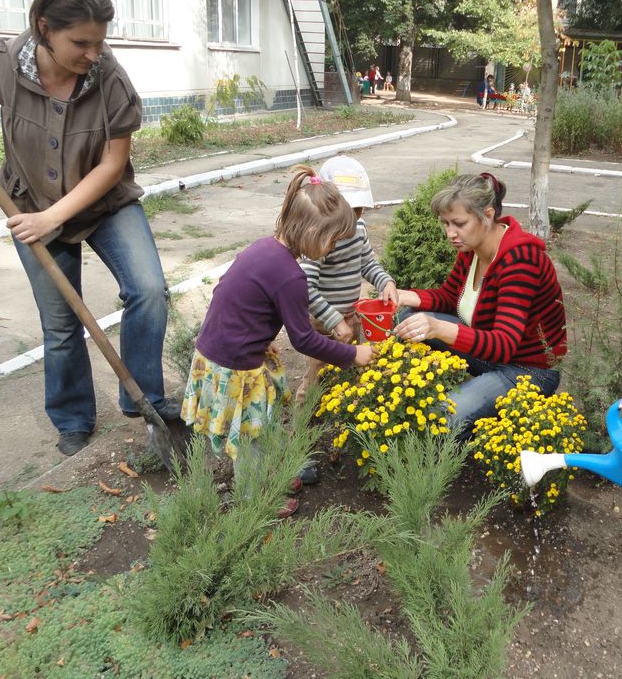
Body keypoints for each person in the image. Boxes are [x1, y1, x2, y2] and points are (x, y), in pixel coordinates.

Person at [0, 0, 175, 457]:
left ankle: (143, 400)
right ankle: (73, 416)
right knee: (60, 324)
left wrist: (51, 217)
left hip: (106, 204)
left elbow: (112, 164)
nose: (93, 53)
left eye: (100, 42)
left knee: (150, 291)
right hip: (28, 202)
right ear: (43, 29)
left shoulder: (111, 80)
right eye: (81, 42)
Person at [181, 166, 374, 516]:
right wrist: (353, 354)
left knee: (265, 421)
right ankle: (253, 502)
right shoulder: (291, 276)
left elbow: (226, 290)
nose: (333, 248)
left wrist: (253, 333)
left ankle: (273, 475)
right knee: (251, 437)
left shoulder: (265, 249)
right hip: (235, 363)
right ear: (313, 232)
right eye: (332, 240)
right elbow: (304, 340)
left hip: (222, 349)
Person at [392, 173, 566, 437]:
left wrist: (438, 328)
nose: (450, 233)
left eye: (459, 223)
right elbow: (450, 298)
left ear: (487, 214)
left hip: (528, 370)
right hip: (490, 356)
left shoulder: (520, 260)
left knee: (439, 419)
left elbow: (504, 344)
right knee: (408, 318)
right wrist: (406, 296)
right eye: (446, 223)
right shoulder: (472, 248)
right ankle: (469, 396)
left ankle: (483, 432)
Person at [296, 155, 398, 409]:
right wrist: (334, 320)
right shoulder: (318, 238)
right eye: (347, 211)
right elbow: (305, 288)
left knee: (349, 370)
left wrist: (385, 282)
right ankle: (301, 432)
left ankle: (340, 418)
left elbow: (367, 263)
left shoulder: (359, 228)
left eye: (358, 210)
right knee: (318, 376)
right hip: (323, 322)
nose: (352, 218)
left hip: (352, 316)